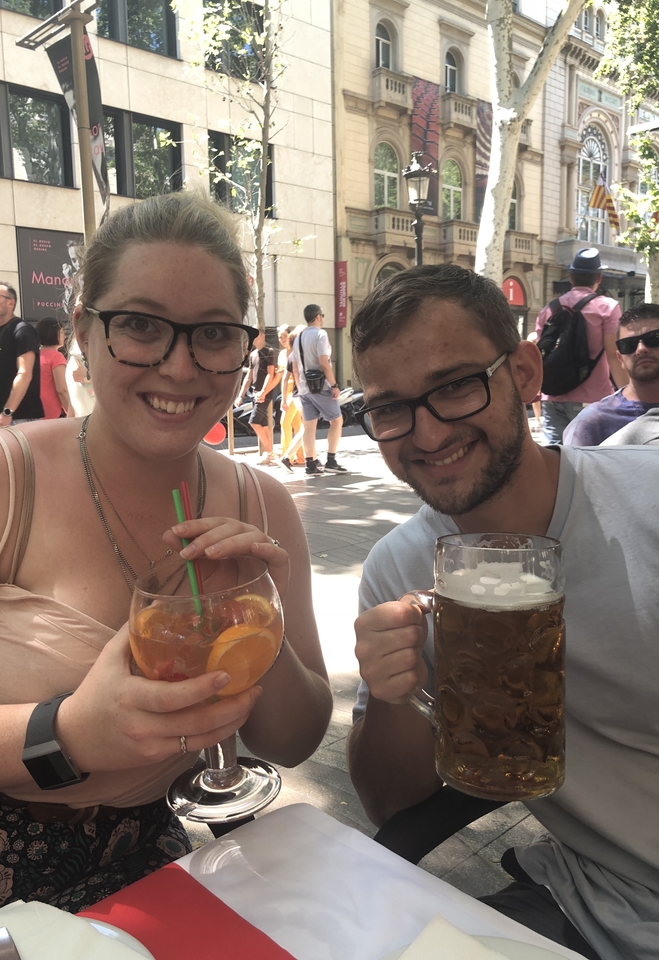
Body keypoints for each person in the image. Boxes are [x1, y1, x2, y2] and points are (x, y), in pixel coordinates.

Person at [0, 192, 332, 932]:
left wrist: (258, 627)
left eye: (212, 333)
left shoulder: (263, 505)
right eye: (142, 326)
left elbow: (294, 739)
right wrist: (67, 735)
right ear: (84, 329)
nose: (179, 366)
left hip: (152, 861)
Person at [346, 263, 659, 960]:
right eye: (391, 407)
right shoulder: (398, 570)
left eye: (455, 386)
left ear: (522, 372)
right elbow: (393, 807)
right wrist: (392, 697)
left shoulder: (647, 500)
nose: (425, 435)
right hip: (587, 898)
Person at [534, 248, 628, 445]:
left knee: (554, 457)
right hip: (592, 397)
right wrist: (627, 392)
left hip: (551, 396)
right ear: (599, 278)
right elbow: (613, 355)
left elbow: (539, 352)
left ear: (570, 277)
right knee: (587, 458)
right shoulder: (607, 307)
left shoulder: (549, 309)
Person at [563, 303, 659, 445]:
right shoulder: (592, 423)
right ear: (620, 358)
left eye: (654, 338)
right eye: (628, 345)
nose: (641, 349)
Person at [293, 304, 347, 475]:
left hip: (304, 387)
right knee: (337, 421)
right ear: (317, 316)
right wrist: (334, 385)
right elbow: (324, 362)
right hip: (321, 386)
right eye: (322, 315)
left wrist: (300, 385)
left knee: (309, 427)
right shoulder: (320, 334)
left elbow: (294, 366)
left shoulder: (298, 337)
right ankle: (331, 460)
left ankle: (311, 465)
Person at [0, 280, 44, 428]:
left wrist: (7, 412)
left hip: (18, 418)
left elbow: (24, 373)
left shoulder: (22, 330)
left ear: (11, 303)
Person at [236, 330, 281, 466]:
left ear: (262, 335)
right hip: (255, 393)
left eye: (256, 334)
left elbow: (270, 374)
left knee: (253, 422)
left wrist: (263, 392)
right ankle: (270, 454)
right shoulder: (253, 354)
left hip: (264, 394)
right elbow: (249, 377)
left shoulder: (269, 352)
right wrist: (240, 395)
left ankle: (270, 454)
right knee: (263, 425)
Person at [36, 317, 75, 419]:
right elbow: (62, 390)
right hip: (52, 413)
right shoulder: (56, 357)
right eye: (62, 332)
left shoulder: (34, 355)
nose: (65, 336)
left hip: (36, 412)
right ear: (53, 333)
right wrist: (72, 413)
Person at [279, 325, 305, 471]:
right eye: (280, 337)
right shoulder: (283, 354)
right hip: (289, 392)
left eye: (284, 336)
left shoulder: (298, 353)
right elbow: (281, 376)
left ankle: (289, 456)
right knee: (297, 425)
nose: (282, 340)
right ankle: (298, 457)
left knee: (286, 422)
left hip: (296, 392)